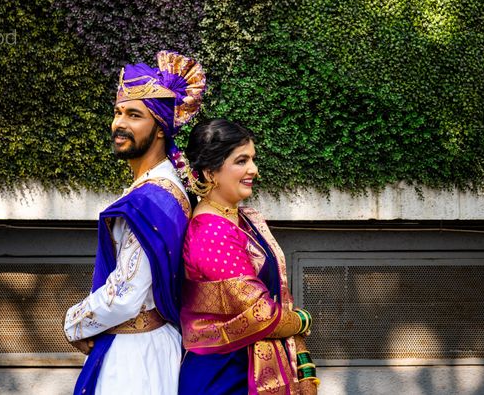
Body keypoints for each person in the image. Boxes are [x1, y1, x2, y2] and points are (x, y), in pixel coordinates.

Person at [64, 51, 205, 395]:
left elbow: (127, 293)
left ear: (160, 128)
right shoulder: (161, 187)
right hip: (147, 347)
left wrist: (74, 323)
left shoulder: (152, 198)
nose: (119, 124)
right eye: (117, 113)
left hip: (135, 359)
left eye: (133, 115)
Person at [179, 118, 319, 395]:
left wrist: (303, 362)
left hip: (249, 368)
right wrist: (303, 320)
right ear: (209, 172)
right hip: (225, 376)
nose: (253, 169)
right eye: (241, 161)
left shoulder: (241, 219)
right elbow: (261, 314)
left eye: (253, 159)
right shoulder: (211, 231)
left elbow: (279, 299)